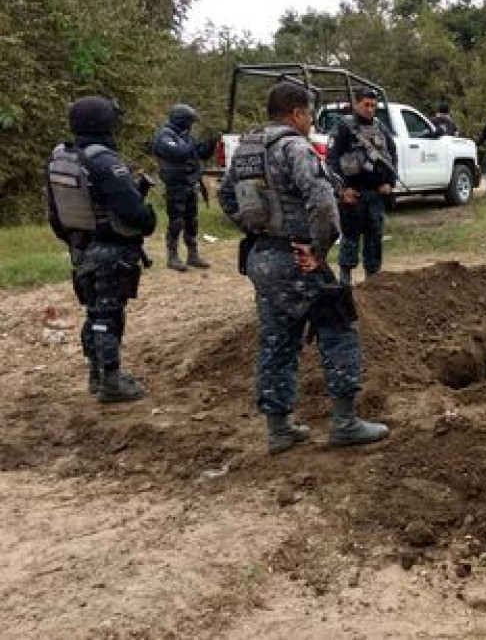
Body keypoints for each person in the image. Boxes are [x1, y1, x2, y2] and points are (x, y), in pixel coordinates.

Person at [218, 82, 388, 455]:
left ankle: (279, 429)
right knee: (338, 326)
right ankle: (345, 422)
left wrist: (255, 229)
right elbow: (324, 204)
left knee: (276, 339)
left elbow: (226, 196)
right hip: (297, 258)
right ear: (296, 113)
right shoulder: (294, 147)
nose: (311, 121)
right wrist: (319, 250)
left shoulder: (247, 149)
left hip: (261, 258)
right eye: (309, 114)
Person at [45, 96, 157, 403]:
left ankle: (97, 375)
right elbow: (134, 213)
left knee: (94, 312)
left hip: (81, 250)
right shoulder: (105, 161)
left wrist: (75, 242)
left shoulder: (60, 158)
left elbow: (54, 215)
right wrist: (149, 219)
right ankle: (110, 382)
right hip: (111, 249)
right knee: (108, 316)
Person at [327, 88, 398, 285]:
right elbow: (331, 161)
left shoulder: (381, 128)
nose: (370, 109)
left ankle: (372, 283)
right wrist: (342, 191)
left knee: (374, 242)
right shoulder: (343, 128)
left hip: (376, 196)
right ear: (356, 104)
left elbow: (392, 156)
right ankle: (345, 284)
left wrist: (389, 183)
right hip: (353, 196)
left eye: (373, 105)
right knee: (349, 240)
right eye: (366, 104)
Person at [152, 103, 217, 271]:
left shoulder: (186, 135)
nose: (191, 125)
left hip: (190, 182)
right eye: (189, 121)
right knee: (176, 221)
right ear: (181, 120)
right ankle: (172, 256)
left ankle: (192, 255)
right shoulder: (165, 136)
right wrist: (193, 146)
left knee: (192, 221)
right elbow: (179, 153)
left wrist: (211, 143)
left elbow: (200, 153)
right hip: (175, 184)